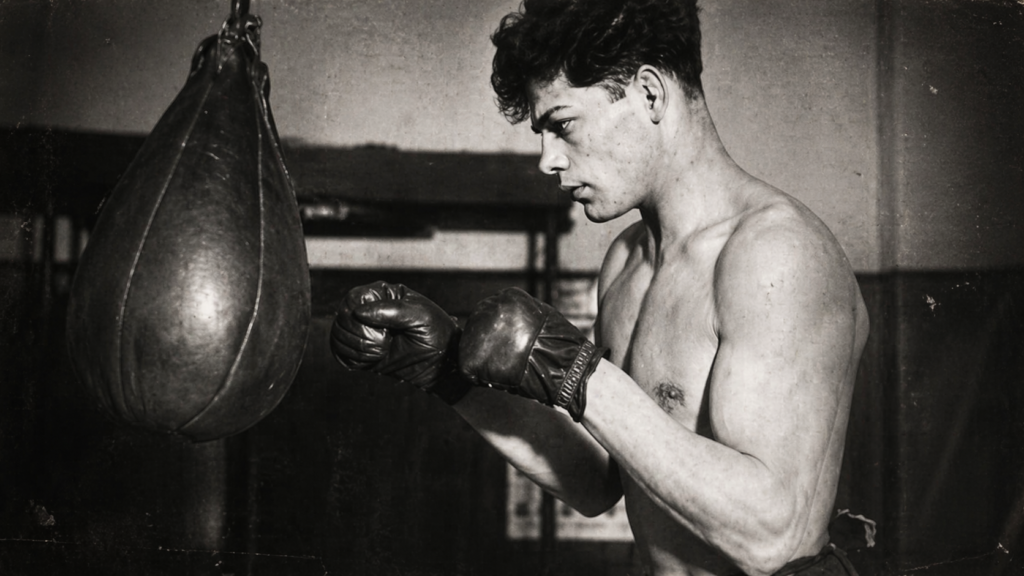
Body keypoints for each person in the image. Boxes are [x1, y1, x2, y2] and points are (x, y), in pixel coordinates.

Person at [330, 1, 870, 574]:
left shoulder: (775, 254)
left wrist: (581, 376)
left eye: (562, 125)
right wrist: (447, 372)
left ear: (650, 94)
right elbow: (595, 481)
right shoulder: (627, 263)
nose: (547, 160)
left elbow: (775, 535)